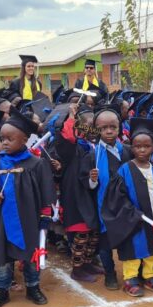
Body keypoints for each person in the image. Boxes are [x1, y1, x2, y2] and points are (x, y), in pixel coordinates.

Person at [0, 108, 55, 307]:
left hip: (30, 219)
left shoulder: (37, 164)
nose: (4, 143)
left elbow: (47, 192)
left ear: (25, 140)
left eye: (9, 139)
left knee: (31, 255)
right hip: (2, 219)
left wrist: (45, 216)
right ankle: (1, 290)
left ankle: (33, 286)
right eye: (2, 138)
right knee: (2, 258)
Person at [101, 118, 153, 297]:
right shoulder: (124, 170)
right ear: (132, 148)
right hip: (132, 219)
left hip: (151, 219)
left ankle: (150, 276)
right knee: (133, 250)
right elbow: (117, 198)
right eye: (137, 146)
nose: (142, 150)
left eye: (147, 146)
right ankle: (130, 279)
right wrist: (131, 212)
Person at [81, 102, 132, 290]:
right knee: (105, 244)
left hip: (125, 204)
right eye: (103, 128)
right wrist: (92, 179)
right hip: (103, 207)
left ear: (119, 127)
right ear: (96, 130)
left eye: (113, 127)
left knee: (128, 241)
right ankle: (110, 273)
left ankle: (131, 274)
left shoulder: (127, 151)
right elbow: (85, 184)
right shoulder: (92, 156)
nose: (109, 131)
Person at [56, 103, 100, 282]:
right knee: (81, 231)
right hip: (76, 193)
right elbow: (68, 135)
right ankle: (77, 269)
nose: (92, 129)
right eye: (87, 126)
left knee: (93, 232)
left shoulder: (94, 146)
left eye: (94, 126)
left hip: (91, 192)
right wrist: (72, 117)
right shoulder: (73, 146)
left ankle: (87, 263)